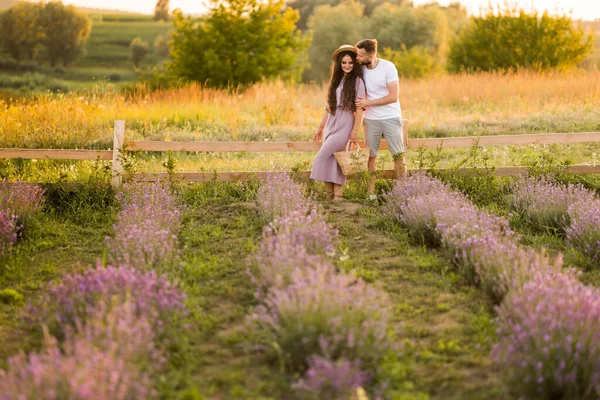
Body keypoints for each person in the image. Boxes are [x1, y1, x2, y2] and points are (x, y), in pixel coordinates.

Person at [311, 44, 366, 201]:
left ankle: (337, 194)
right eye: (344, 63)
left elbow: (360, 109)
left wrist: (355, 131)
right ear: (339, 64)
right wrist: (320, 128)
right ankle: (333, 196)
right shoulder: (335, 81)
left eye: (350, 62)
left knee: (323, 157)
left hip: (346, 122)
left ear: (354, 64)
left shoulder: (357, 81)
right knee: (332, 160)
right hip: (331, 123)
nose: (347, 65)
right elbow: (328, 108)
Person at [355, 38, 406, 200]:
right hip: (370, 120)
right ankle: (371, 194)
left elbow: (393, 96)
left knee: (398, 155)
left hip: (391, 117)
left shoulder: (388, 67)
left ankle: (402, 192)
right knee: (371, 156)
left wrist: (368, 102)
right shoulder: (360, 70)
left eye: (360, 55)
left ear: (370, 56)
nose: (358, 58)